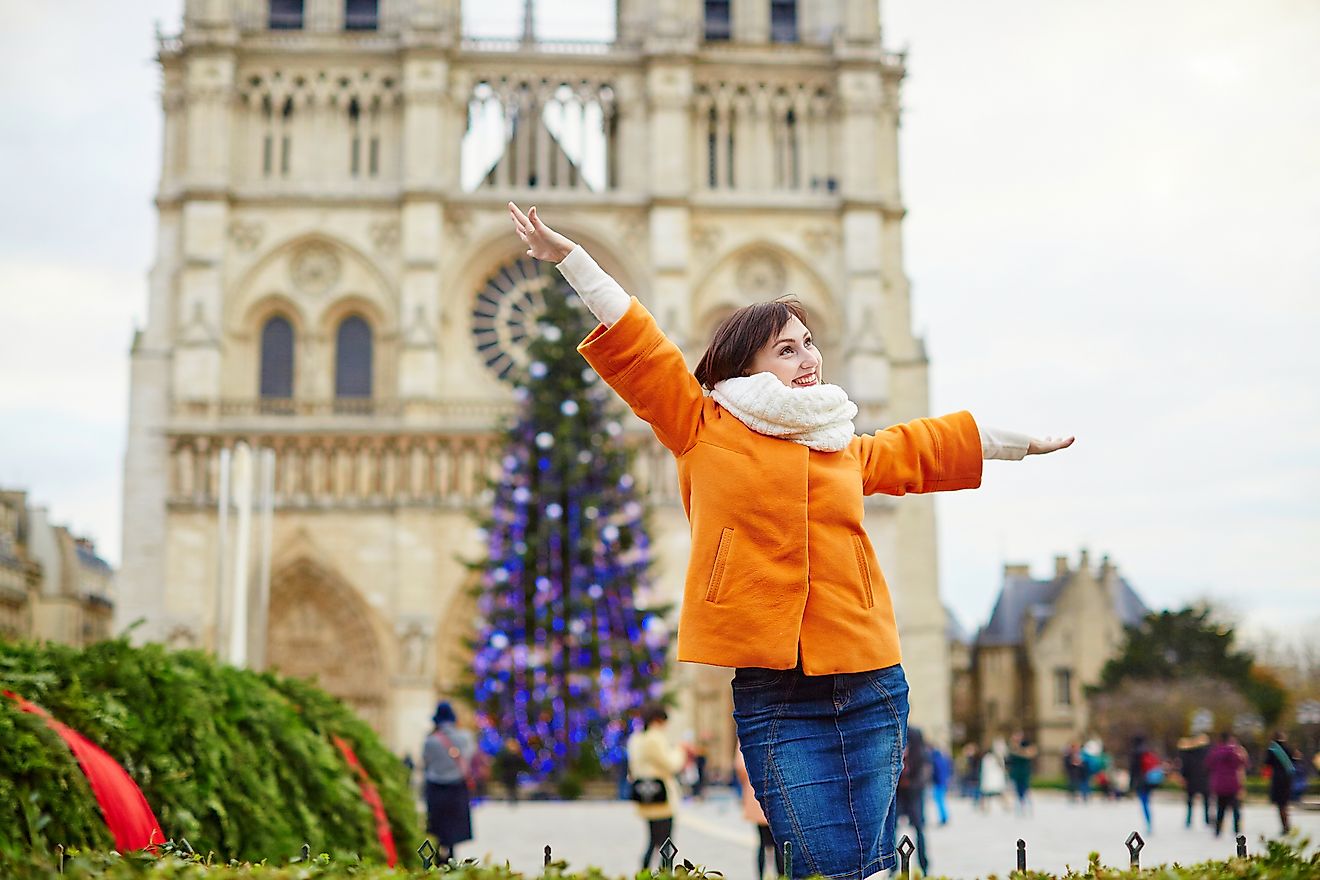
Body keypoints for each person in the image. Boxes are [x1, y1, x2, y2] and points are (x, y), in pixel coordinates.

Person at [508, 203, 1072, 880]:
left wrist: (1019, 444)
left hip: (870, 681)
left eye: (809, 342)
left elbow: (918, 447)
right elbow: (640, 342)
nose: (809, 358)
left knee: (868, 866)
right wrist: (572, 258)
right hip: (776, 692)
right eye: (787, 348)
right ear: (746, 367)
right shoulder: (701, 426)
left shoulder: (838, 443)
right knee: (820, 863)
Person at [626, 702, 688, 871]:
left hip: (646, 796)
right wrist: (680, 751)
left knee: (652, 840)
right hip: (662, 798)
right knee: (666, 844)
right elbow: (671, 763)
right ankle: (665, 874)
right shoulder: (655, 738)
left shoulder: (636, 738)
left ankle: (644, 873)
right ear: (658, 720)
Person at [422, 701, 476, 861]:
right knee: (454, 825)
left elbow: (426, 761)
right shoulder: (465, 737)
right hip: (457, 786)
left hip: (436, 787)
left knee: (438, 824)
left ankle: (439, 855)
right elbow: (469, 756)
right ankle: (451, 854)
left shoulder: (430, 741)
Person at [735, 741, 783, 880]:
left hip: (755, 794)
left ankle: (761, 877)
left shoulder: (747, 732)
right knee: (779, 842)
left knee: (762, 842)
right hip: (776, 794)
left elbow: (740, 765)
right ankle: (781, 876)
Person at [896, 727, 931, 874]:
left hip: (914, 790)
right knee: (891, 829)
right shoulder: (895, 732)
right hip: (898, 791)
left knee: (919, 827)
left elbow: (923, 763)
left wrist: (916, 783)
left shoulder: (914, 735)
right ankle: (892, 866)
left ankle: (924, 865)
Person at [1206, 731, 1247, 838]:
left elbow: (1208, 764)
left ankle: (1218, 830)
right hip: (1232, 784)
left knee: (1220, 808)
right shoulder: (1234, 751)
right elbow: (1242, 763)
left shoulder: (1215, 751)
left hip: (1219, 784)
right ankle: (1237, 830)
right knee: (1235, 808)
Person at [1264, 730, 1299, 834]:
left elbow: (1267, 763)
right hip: (1287, 778)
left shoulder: (1272, 749)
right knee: (1285, 803)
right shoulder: (1289, 748)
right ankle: (1286, 824)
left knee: (1280, 804)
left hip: (1277, 779)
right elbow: (1296, 760)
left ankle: (1285, 825)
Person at [1176, 732, 1211, 828]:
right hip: (1204, 780)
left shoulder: (1188, 753)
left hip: (1191, 780)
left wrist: (1183, 777)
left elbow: (1185, 767)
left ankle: (1188, 821)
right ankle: (1207, 820)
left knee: (1190, 802)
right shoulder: (1207, 753)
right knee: (1206, 802)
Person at [1129, 735, 1161, 835]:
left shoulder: (1135, 752)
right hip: (1148, 780)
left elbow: (1133, 770)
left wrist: (1131, 784)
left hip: (1140, 781)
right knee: (1147, 801)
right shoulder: (1147, 750)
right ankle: (1149, 822)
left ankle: (1148, 823)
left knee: (1144, 802)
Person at [1006, 731, 1037, 816]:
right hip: (1015, 772)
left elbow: (1030, 753)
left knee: (1025, 789)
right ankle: (1019, 807)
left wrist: (1018, 750)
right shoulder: (1011, 746)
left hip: (1024, 771)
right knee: (1016, 790)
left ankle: (1027, 807)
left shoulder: (1026, 744)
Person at [978, 739, 1009, 813]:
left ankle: (1005, 806)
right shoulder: (990, 758)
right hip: (992, 780)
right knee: (990, 794)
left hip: (992, 781)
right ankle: (985, 807)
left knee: (992, 794)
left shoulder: (989, 758)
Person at [929, 743, 952, 825]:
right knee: (941, 800)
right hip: (942, 782)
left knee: (940, 801)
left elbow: (937, 773)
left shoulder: (936, 760)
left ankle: (944, 818)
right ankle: (944, 817)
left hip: (938, 783)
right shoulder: (943, 759)